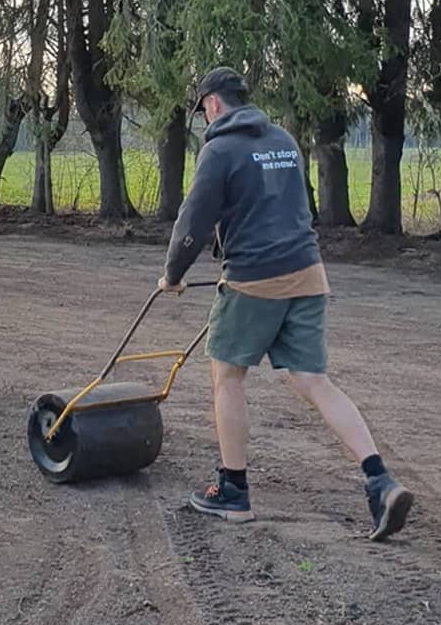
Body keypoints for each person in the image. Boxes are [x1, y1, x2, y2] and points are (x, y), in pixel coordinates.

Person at [158, 66, 414, 541]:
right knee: (314, 381)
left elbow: (193, 221)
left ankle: (233, 491)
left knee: (227, 375)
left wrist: (172, 275)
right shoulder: (283, 140)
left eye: (203, 110)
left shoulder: (219, 150)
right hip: (309, 273)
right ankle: (380, 481)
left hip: (254, 280)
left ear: (212, 104)